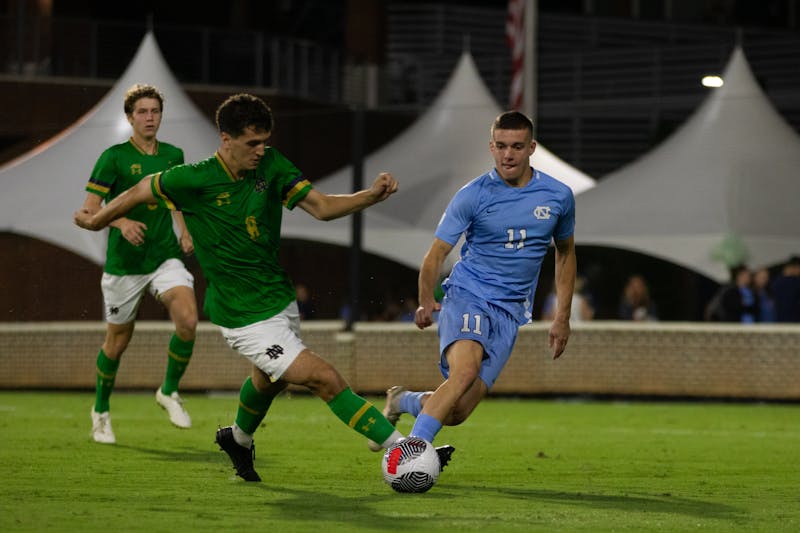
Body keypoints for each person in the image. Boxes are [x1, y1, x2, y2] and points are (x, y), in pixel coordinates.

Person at [75, 93, 452, 482]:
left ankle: (237, 438)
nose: (260, 151)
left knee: (268, 381)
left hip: (278, 299)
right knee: (323, 377)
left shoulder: (271, 165)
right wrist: (99, 219)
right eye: (251, 143)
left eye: (264, 142)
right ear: (226, 139)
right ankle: (403, 449)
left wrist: (369, 196)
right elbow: (139, 190)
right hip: (241, 315)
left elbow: (321, 207)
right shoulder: (194, 178)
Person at [367, 111, 576, 453]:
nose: (508, 154)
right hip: (469, 295)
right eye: (502, 146)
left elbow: (566, 254)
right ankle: (412, 454)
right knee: (464, 372)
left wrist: (562, 317)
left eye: (517, 146)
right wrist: (424, 302)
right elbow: (434, 256)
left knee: (458, 411)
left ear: (532, 148)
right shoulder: (472, 195)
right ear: (491, 147)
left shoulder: (558, 196)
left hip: (510, 313)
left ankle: (402, 401)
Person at [79, 83, 198, 444]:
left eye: (155, 111)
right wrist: (121, 221)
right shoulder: (113, 157)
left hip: (165, 256)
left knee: (189, 320)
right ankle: (100, 411)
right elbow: (88, 212)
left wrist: (185, 231)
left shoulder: (174, 154)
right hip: (124, 265)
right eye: (142, 112)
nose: (150, 117)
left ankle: (169, 391)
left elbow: (176, 200)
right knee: (116, 344)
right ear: (130, 117)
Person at [771, 255, 800, 322]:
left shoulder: (776, 281)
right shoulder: (794, 282)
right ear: (795, 267)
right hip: (791, 322)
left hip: (781, 322)